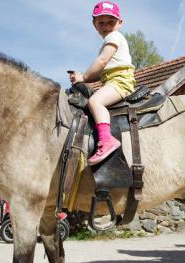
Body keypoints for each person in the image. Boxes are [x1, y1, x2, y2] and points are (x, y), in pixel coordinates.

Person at [69, 1, 136, 165]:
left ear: (120, 23)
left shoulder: (114, 37)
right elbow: (99, 74)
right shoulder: (110, 40)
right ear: (94, 25)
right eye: (101, 22)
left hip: (120, 82)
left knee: (95, 101)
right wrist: (82, 79)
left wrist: (83, 77)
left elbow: (102, 61)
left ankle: (107, 140)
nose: (106, 26)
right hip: (113, 80)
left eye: (111, 22)